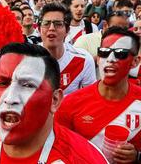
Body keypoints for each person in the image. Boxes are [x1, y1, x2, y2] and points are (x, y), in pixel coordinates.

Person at [0, 43, 108, 164]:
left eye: (28, 85)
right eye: (3, 83)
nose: (10, 98)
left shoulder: (84, 159)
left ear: (55, 100)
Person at [56, 27, 141, 163]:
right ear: (98, 58)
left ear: (135, 62)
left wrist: (137, 156)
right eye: (104, 52)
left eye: (120, 54)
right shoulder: (70, 103)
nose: (111, 59)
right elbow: (58, 151)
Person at [39, 3, 96, 95]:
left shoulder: (84, 60)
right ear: (39, 29)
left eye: (58, 24)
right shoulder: (28, 59)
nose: (51, 28)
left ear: (67, 30)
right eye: (46, 23)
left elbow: (89, 98)